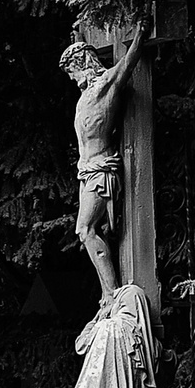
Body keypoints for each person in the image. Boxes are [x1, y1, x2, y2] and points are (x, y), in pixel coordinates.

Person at [59, 19, 149, 306]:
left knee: (85, 230)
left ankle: (111, 293)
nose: (73, 79)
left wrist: (141, 35)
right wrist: (79, 37)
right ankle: (107, 294)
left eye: (73, 71)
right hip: (87, 172)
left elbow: (127, 65)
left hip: (101, 169)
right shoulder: (85, 96)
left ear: (84, 62)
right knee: (86, 231)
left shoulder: (105, 85)